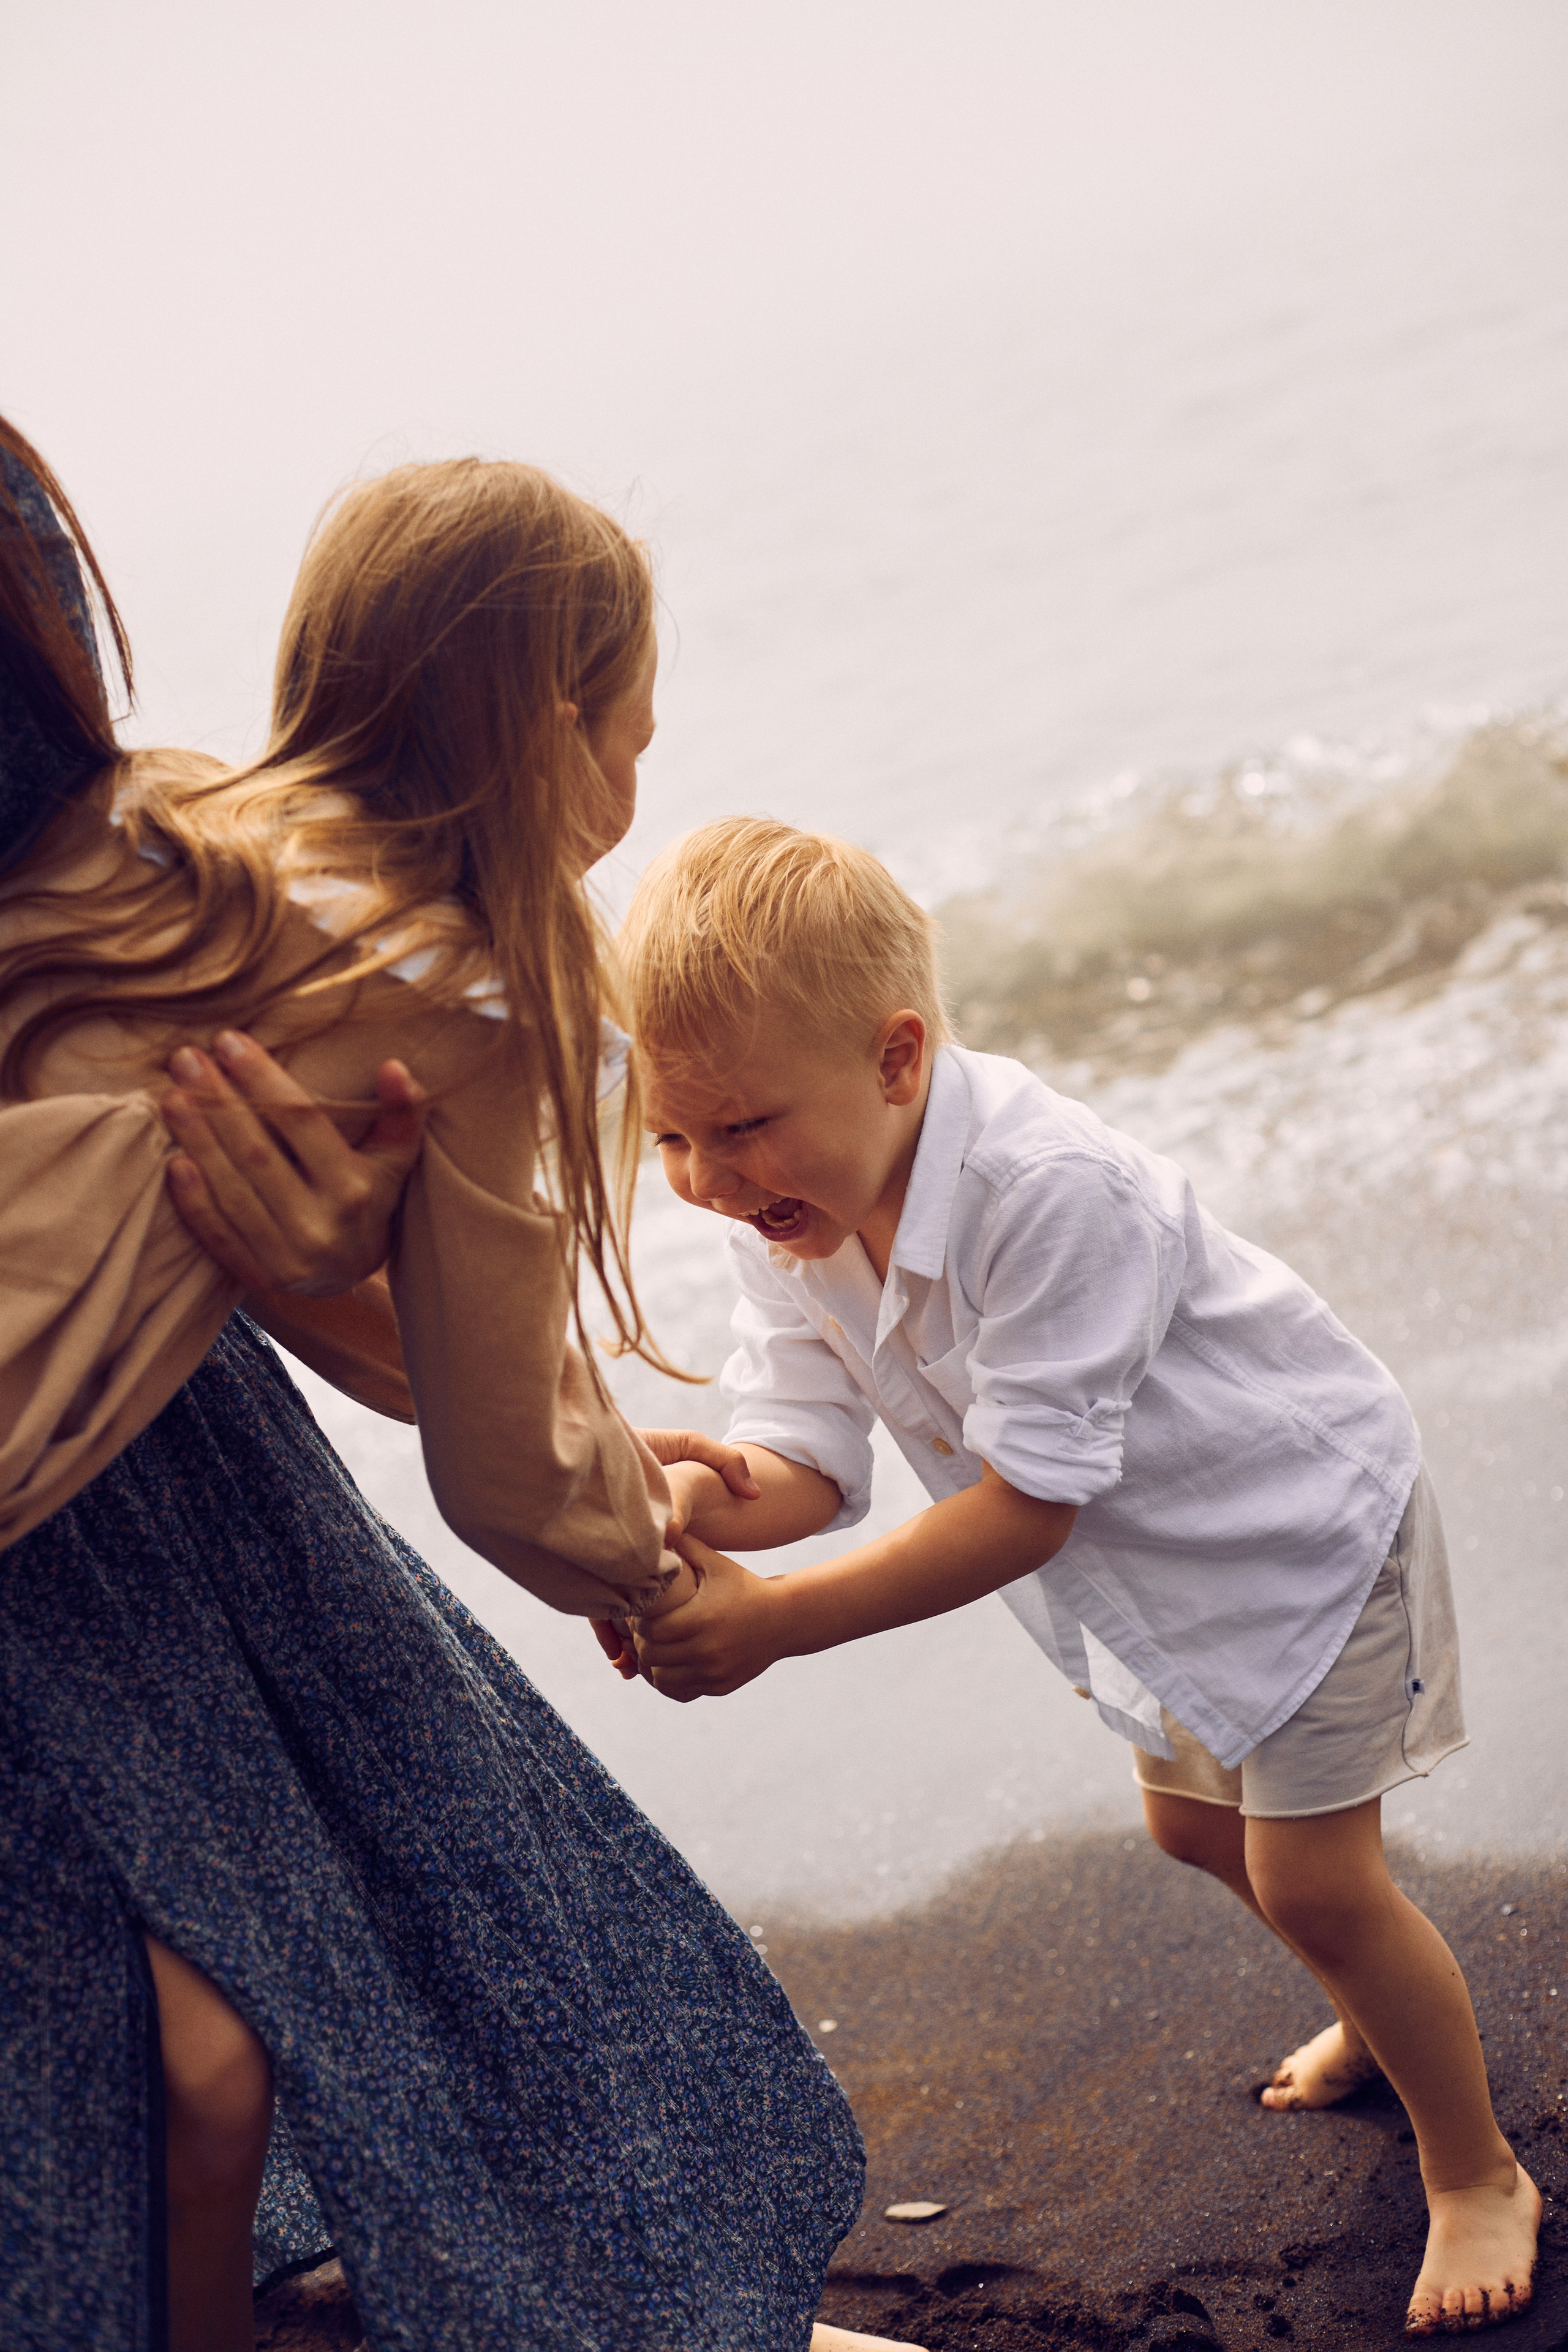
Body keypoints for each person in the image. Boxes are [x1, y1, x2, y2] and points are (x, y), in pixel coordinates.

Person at [0, 429, 899, 2352]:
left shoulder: (162, 835)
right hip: (49, 1498)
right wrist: (643, 1568)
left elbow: (174, 1236)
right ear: (552, 729)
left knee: (196, 2029)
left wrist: (457, 1361)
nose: (638, 787)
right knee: (345, 1955)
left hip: (85, 1457)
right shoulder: (481, 981)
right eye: (632, 734)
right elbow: (509, 1468)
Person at [583, 815, 1531, 2342]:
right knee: (1187, 1828)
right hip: (1154, 1579)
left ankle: (1475, 2166)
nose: (702, 1177)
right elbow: (810, 1457)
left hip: (1297, 1538)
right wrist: (706, 1490)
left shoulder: (1044, 1192)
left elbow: (1020, 1513)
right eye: (671, 1139)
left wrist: (770, 1628)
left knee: (1309, 1870)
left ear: (895, 1059)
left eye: (737, 1128)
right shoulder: (792, 1210)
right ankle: (1372, 2005)